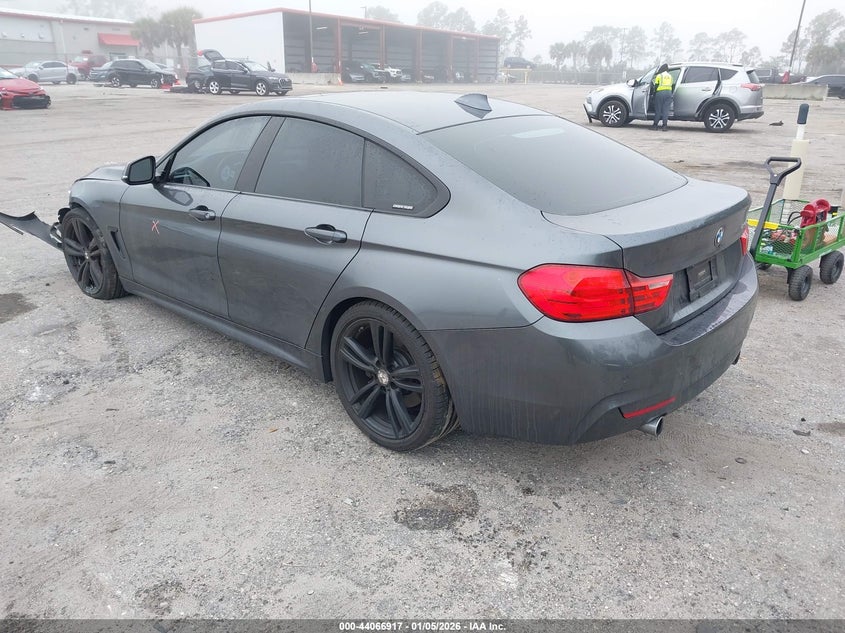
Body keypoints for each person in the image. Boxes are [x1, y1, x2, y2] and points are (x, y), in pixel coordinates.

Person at [652, 63, 674, 130]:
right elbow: (672, 85)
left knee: (658, 110)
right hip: (668, 93)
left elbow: (656, 86)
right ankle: (664, 126)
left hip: (660, 93)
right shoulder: (670, 76)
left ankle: (655, 126)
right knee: (665, 110)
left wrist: (654, 94)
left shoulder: (659, 75)